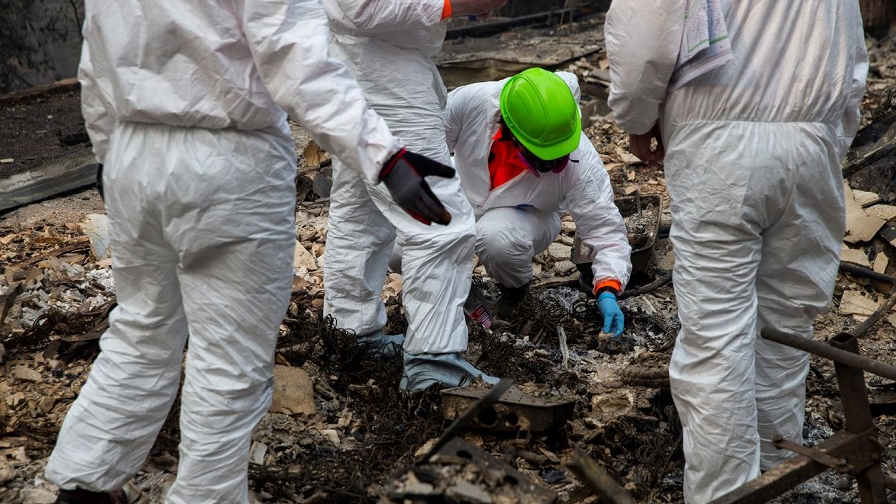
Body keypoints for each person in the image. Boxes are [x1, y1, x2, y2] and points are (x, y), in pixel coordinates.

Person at [46, 0, 461, 502]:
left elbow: (97, 64)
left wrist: (107, 153)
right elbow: (299, 61)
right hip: (228, 157)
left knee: (142, 328)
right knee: (228, 358)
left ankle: (84, 483)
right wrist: (383, 155)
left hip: (134, 152)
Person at [604, 1, 868, 502]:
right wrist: (830, 138)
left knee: (717, 340)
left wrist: (638, 119)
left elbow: (644, 31)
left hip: (718, 140)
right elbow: (853, 58)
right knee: (786, 330)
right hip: (813, 139)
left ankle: (726, 494)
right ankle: (776, 478)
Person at [321, 0, 507, 392]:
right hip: (382, 68)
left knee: (360, 214)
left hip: (366, 60)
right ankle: (434, 359)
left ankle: (351, 334)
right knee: (441, 219)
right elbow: (362, 7)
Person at [444, 67, 633, 336]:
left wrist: (608, 289)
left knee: (497, 239)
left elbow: (604, 230)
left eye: (559, 157)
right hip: (462, 190)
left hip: (528, 216)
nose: (554, 164)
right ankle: (450, 284)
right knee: (400, 248)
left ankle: (514, 290)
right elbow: (425, 148)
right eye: (543, 158)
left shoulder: (581, 159)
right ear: (510, 131)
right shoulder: (471, 103)